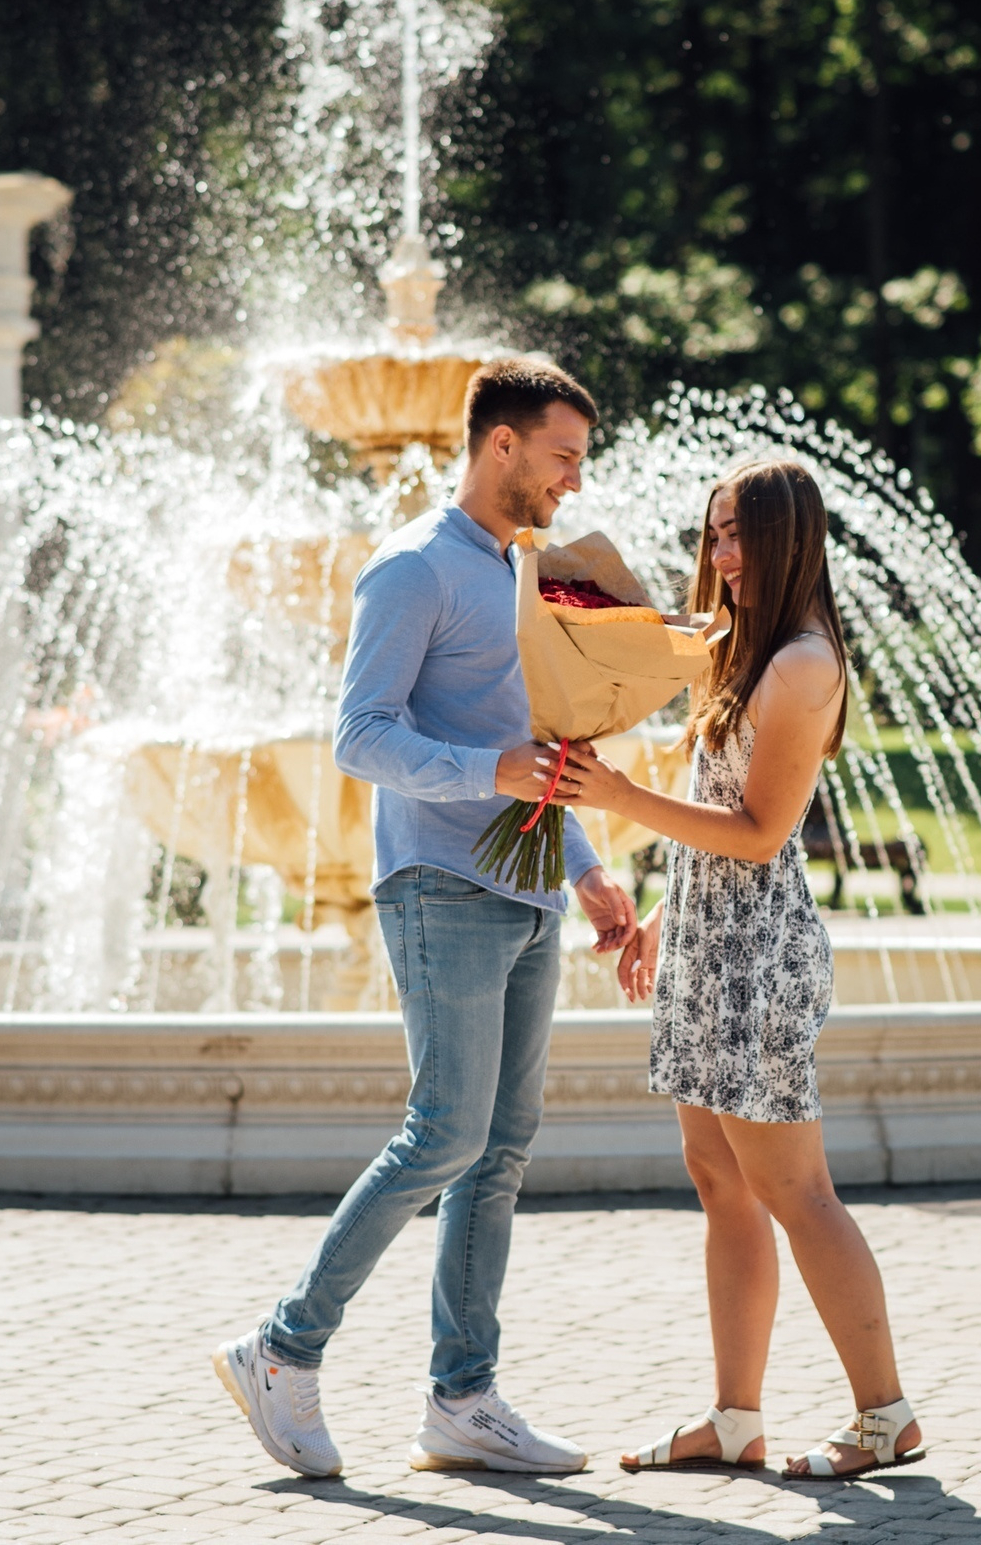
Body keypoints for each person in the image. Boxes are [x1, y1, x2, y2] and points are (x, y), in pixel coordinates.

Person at [212, 358, 640, 1480]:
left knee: (498, 1149)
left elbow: (536, 739)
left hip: (534, 886)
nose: (572, 480)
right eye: (561, 455)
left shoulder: (529, 574)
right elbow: (359, 737)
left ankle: (462, 1398)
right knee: (444, 1131)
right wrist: (488, 769)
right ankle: (280, 1346)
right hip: (439, 883)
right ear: (500, 445)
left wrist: (589, 867)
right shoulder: (411, 568)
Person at [557, 458, 928, 1482]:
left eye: (741, 535)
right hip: (709, 944)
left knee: (796, 1186)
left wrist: (618, 795)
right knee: (720, 1178)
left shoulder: (800, 663)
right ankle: (732, 1418)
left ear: (789, 539)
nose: (722, 555)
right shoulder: (744, 653)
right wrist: (667, 914)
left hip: (757, 959)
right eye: (714, 533)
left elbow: (762, 833)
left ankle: (885, 1413)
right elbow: (721, 826)